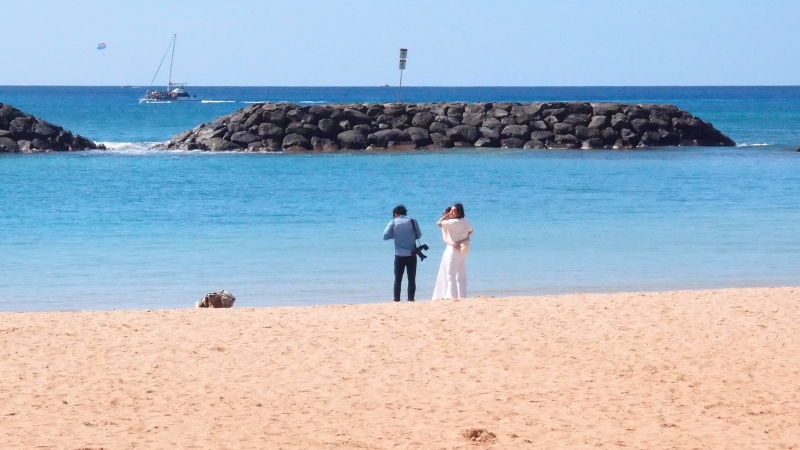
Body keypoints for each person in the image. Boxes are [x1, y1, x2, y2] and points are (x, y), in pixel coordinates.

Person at [432, 203, 473, 299]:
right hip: (463, 248)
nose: (451, 213)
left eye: (453, 211)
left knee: (451, 275)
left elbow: (439, 223)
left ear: (459, 212)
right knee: (461, 274)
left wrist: (447, 214)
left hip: (453, 249)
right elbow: (471, 231)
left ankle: (452, 296)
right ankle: (462, 295)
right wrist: (463, 239)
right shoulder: (466, 221)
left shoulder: (452, 222)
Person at [383, 205, 422, 302]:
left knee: (398, 279)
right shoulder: (413, 221)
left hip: (399, 255)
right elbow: (419, 235)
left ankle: (397, 299)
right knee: (411, 278)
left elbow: (385, 236)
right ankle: (411, 299)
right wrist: (410, 237)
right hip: (412, 254)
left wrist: (395, 235)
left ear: (395, 214)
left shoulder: (393, 222)